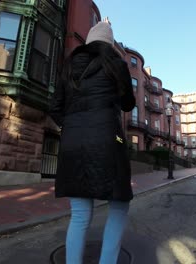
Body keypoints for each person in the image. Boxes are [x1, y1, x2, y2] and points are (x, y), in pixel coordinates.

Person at [49, 18, 136, 264]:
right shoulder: (116, 63)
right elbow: (129, 103)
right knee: (118, 204)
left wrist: (71, 127)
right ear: (109, 43)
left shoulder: (69, 65)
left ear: (88, 41)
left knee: (79, 214)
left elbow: (54, 107)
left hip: (72, 144)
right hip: (107, 140)